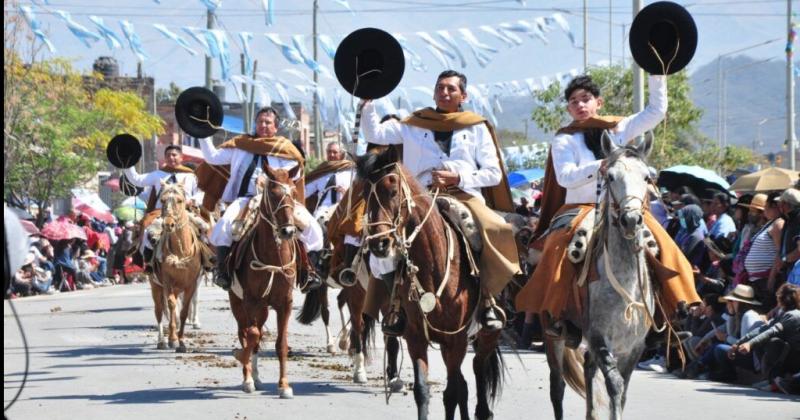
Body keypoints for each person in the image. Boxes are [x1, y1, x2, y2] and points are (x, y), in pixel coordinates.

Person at [515, 73, 700, 347]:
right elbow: (565, 177)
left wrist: (657, 75)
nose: (580, 104)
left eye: (585, 99)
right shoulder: (564, 140)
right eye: (573, 101)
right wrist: (598, 166)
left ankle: (670, 316)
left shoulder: (619, 128)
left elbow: (656, 112)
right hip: (580, 207)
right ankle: (558, 315)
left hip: (620, 205)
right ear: (568, 108)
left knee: (660, 244)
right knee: (562, 247)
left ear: (598, 102)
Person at [360, 69, 521, 333]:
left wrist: (457, 177)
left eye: (451, 89)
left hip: (464, 195)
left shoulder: (476, 126)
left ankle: (489, 300)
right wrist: (367, 102)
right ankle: (396, 304)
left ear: (463, 95)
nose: (444, 93)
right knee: (384, 240)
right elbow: (374, 133)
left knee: (496, 230)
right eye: (440, 88)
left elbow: (493, 173)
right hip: (418, 197)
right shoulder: (413, 123)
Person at [197, 106, 324, 291]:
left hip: (278, 201)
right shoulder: (241, 144)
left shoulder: (285, 149)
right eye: (260, 122)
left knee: (314, 228)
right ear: (255, 124)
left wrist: (273, 179)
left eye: (268, 122)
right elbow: (212, 157)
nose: (263, 125)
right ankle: (223, 272)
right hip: (245, 199)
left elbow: (292, 175)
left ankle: (308, 273)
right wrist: (202, 131)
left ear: (276, 126)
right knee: (223, 225)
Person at [123, 145, 202, 272]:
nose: (171, 157)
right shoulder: (157, 175)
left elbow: (201, 193)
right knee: (147, 229)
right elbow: (136, 180)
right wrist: (126, 163)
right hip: (160, 213)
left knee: (205, 229)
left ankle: (208, 259)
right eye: (168, 155)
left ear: (181, 158)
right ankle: (148, 260)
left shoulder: (191, 176)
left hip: (186, 212)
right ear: (165, 158)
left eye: (174, 155)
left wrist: (192, 200)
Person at [303, 142, 355, 291]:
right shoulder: (321, 172)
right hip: (324, 208)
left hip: (345, 208)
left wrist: (347, 193)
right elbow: (305, 190)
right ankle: (315, 266)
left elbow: (359, 193)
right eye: (329, 152)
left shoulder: (352, 172)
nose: (332, 155)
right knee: (316, 227)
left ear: (342, 153)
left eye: (335, 152)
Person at [731, 283, 800, 393]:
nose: (777, 298)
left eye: (778, 295)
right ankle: (769, 379)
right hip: (787, 356)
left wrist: (750, 344)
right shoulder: (782, 314)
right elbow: (763, 329)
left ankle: (775, 380)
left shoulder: (793, 315)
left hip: (795, 360)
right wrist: (739, 343)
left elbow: (772, 331)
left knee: (773, 341)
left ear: (783, 298)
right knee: (761, 340)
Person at [775, 188, 800, 285]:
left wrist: (784, 259)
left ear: (785, 204)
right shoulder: (788, 219)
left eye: (780, 203)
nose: (778, 206)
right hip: (788, 271)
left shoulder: (798, 219)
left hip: (795, 273)